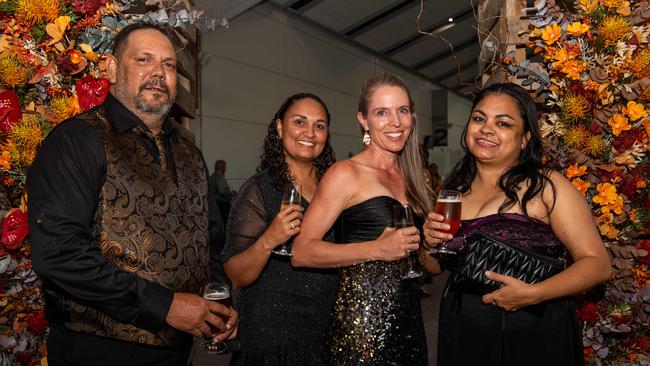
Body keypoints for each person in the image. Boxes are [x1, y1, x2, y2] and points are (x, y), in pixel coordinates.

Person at [27, 22, 238, 365]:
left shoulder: (189, 153)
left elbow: (211, 241)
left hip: (181, 348)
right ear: (111, 69)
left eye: (169, 65)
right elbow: (59, 254)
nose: (158, 73)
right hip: (99, 349)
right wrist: (165, 305)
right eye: (144, 60)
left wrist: (221, 305)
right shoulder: (77, 141)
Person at [423, 83, 611, 366]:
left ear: (524, 139)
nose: (486, 128)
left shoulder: (546, 185)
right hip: (463, 329)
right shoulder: (453, 192)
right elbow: (434, 267)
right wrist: (428, 241)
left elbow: (598, 264)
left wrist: (534, 294)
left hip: (532, 329)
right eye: (479, 118)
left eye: (503, 123)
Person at [292, 73, 439, 365]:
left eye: (402, 110)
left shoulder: (415, 179)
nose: (395, 122)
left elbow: (429, 264)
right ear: (364, 120)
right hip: (362, 324)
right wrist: (375, 249)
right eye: (381, 112)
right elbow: (301, 251)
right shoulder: (345, 174)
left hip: (409, 319)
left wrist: (434, 242)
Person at [221, 93, 337, 365]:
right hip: (273, 330)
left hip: (326, 324)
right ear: (279, 127)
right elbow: (235, 275)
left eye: (319, 125)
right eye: (300, 122)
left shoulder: (335, 186)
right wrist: (269, 239)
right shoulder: (260, 190)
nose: (310, 132)